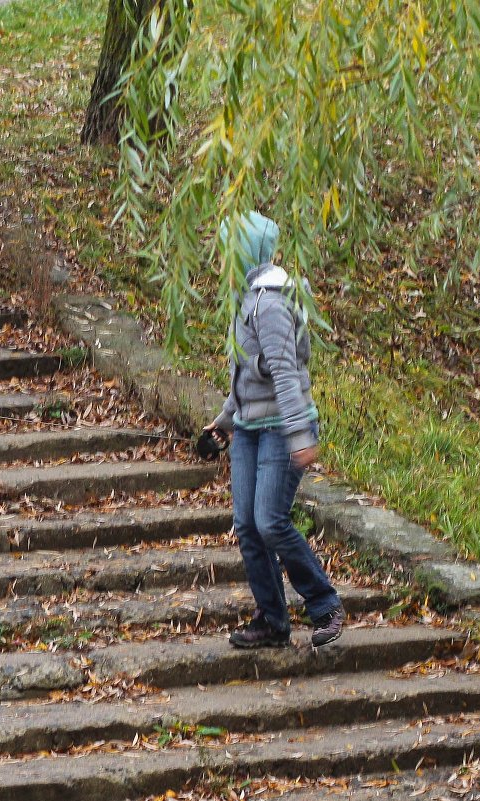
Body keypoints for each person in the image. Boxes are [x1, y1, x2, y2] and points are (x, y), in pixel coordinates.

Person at [204, 211, 345, 649]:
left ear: (245, 250)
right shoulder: (248, 298)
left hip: (280, 430)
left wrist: (301, 436)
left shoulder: (270, 303)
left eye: (227, 247)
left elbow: (285, 374)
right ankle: (272, 621)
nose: (219, 257)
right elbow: (246, 373)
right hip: (249, 428)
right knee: (247, 525)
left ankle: (325, 604)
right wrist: (226, 421)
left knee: (269, 521)